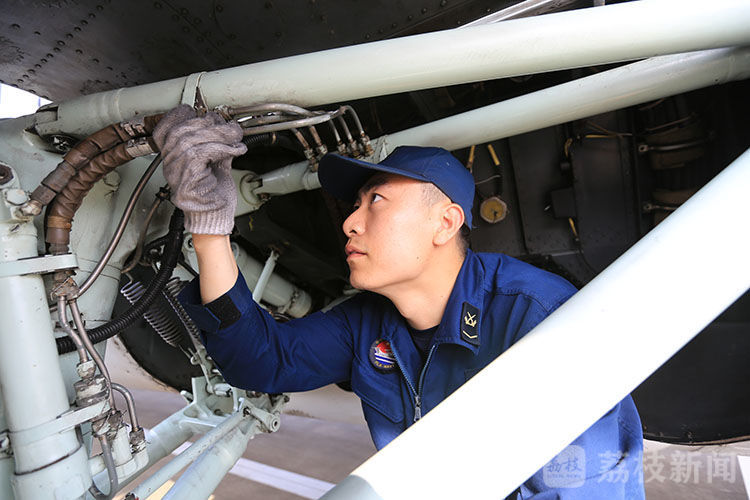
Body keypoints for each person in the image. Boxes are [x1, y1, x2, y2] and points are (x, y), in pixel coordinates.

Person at [153, 105, 645, 498]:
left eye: (377, 201)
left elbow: (582, 486)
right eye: (354, 205)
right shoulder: (367, 322)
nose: (349, 222)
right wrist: (210, 234)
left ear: (445, 223)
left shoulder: (537, 315)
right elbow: (262, 362)